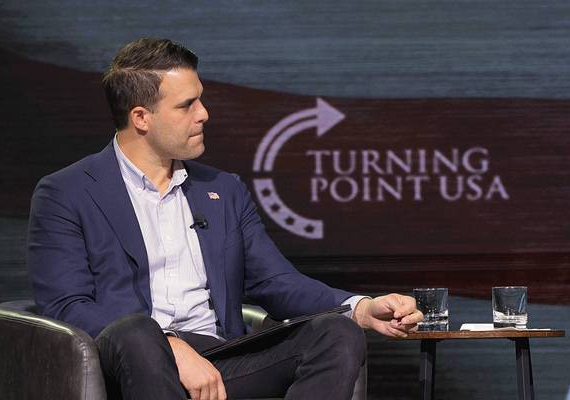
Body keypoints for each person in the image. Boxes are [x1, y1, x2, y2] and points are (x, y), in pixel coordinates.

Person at [27, 37, 423, 400]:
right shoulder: (66, 192)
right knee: (138, 332)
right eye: (186, 105)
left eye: (200, 100)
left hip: (221, 359)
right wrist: (168, 344)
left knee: (336, 333)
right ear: (141, 117)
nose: (204, 114)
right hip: (130, 363)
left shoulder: (223, 189)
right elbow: (66, 305)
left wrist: (360, 308)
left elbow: (275, 281)